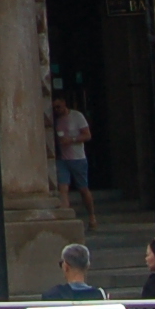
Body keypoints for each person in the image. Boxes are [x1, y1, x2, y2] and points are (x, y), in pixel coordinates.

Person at [53, 94, 96, 225]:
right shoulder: (54, 120)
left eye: (58, 107)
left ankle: (92, 216)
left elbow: (87, 135)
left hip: (77, 158)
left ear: (64, 104)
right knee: (63, 189)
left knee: (83, 189)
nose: (57, 110)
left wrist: (71, 140)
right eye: (54, 108)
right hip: (62, 159)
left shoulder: (77, 116)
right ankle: (66, 219)